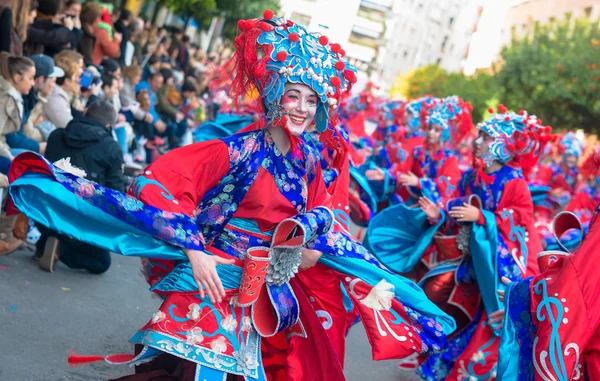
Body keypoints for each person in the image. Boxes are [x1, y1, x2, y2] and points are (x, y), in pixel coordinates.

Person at [9, 11, 456, 380]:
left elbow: (323, 214)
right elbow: (160, 182)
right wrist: (194, 250)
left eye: (310, 100)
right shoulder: (240, 149)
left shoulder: (308, 160)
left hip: (269, 287)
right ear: (276, 96)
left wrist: (302, 239)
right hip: (219, 278)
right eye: (293, 96)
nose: (301, 107)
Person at [35, 100, 124, 273]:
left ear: (85, 114)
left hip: (45, 213)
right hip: (79, 220)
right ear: (108, 125)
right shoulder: (111, 147)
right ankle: (60, 249)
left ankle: (47, 241)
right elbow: (116, 195)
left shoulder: (56, 135)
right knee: (101, 264)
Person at [21, 54, 63, 143]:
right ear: (40, 79)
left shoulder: (36, 96)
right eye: (51, 79)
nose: (54, 85)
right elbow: (28, 134)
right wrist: (41, 130)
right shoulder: (24, 98)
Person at [44, 49, 83, 128]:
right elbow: (68, 126)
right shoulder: (56, 96)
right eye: (80, 67)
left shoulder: (67, 94)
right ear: (67, 80)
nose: (82, 71)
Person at [76, 1, 102, 66]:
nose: (99, 19)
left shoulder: (83, 27)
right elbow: (87, 56)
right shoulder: (85, 32)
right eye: (98, 16)